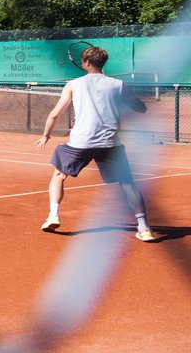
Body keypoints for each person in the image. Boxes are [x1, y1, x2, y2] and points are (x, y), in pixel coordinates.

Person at [34, 46, 154, 241]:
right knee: (128, 184)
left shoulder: (73, 84)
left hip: (80, 142)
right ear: (103, 63)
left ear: (86, 63)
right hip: (110, 144)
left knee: (58, 175)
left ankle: (53, 215)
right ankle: (144, 227)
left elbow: (55, 114)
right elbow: (140, 109)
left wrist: (46, 135)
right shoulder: (119, 84)